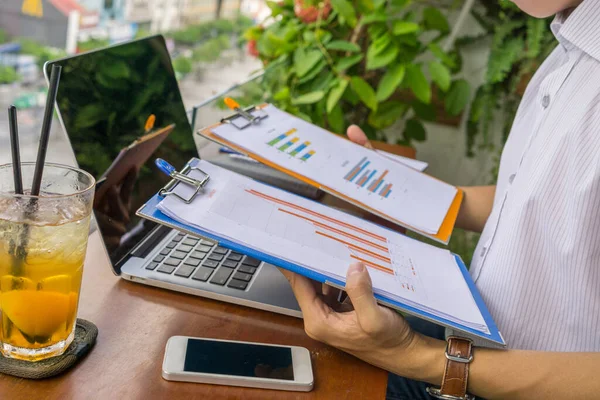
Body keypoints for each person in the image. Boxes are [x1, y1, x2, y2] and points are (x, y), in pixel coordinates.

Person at [279, 0, 600, 398]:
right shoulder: (572, 46)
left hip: (493, 375)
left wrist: (416, 356)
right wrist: (395, 191)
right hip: (471, 333)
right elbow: (540, 200)